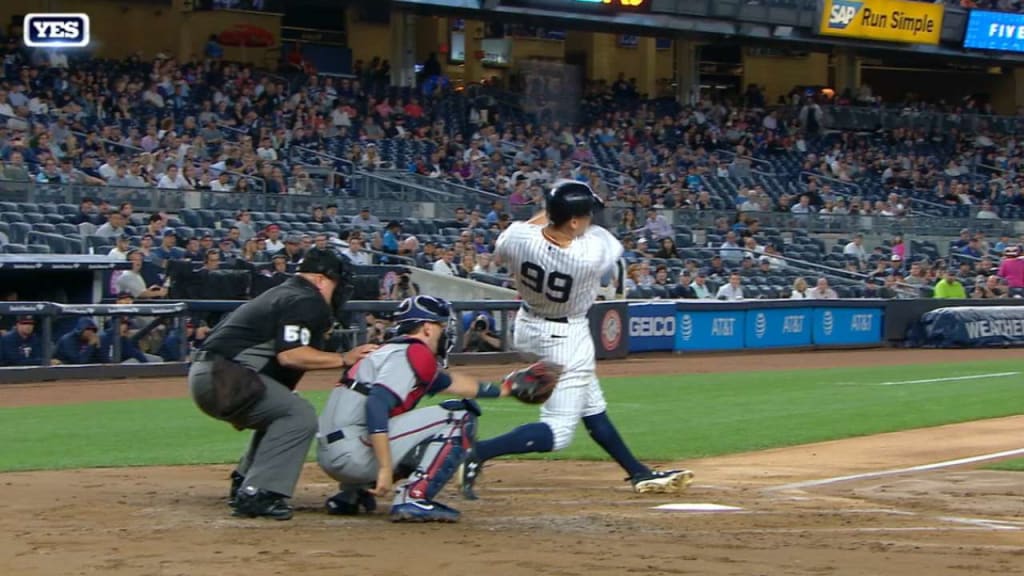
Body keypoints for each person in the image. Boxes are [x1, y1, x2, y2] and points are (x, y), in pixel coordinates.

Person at [460, 180, 692, 500]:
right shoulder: (589, 253)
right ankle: (475, 452)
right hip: (566, 337)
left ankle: (638, 472)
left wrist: (555, 206)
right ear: (572, 220)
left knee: (592, 405)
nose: (589, 220)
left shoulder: (516, 237)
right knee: (558, 432)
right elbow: (600, 232)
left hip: (527, 326)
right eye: (584, 215)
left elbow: (534, 227)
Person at [188, 248, 377, 520]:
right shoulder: (306, 299)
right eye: (338, 283)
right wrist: (344, 358)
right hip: (224, 376)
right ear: (322, 279)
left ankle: (245, 481)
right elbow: (291, 355)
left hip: (211, 373)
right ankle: (260, 492)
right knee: (298, 415)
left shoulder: (285, 292)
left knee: (281, 411)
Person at [317, 295, 535, 522]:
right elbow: (376, 405)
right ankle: (413, 497)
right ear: (428, 328)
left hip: (332, 455)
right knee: (458, 416)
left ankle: (352, 494)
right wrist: (384, 468)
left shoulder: (390, 351)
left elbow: (454, 384)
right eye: (441, 325)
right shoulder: (415, 352)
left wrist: (505, 390)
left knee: (422, 430)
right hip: (354, 454)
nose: (445, 332)